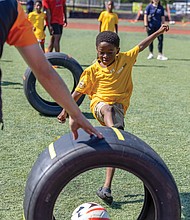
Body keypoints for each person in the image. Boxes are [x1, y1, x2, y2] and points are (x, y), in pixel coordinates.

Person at [57, 25, 169, 204]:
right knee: (108, 112)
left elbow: (141, 46)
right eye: (102, 52)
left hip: (119, 109)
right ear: (97, 50)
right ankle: (114, 132)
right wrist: (64, 111)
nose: (105, 56)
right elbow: (77, 93)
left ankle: (107, 187)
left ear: (118, 51)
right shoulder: (92, 71)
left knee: (113, 149)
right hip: (99, 106)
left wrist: (158, 32)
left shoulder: (125, 59)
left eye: (110, 52)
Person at [0, 0, 103, 140]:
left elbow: (43, 70)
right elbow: (43, 70)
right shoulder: (10, 8)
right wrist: (75, 114)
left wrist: (75, 114)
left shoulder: (11, 9)